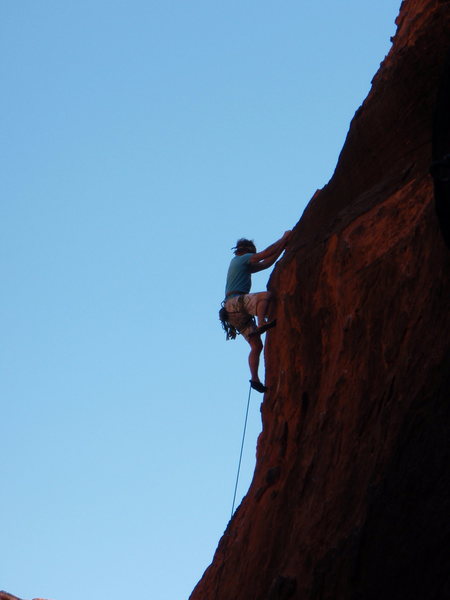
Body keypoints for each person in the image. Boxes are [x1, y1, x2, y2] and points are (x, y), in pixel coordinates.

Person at [220, 231, 291, 393]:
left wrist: (283, 246)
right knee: (264, 297)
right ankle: (262, 323)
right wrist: (284, 238)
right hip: (235, 303)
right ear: (245, 251)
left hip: (232, 312)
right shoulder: (240, 259)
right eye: (252, 251)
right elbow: (265, 254)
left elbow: (267, 262)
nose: (253, 254)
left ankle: (255, 378)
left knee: (256, 345)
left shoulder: (241, 263)